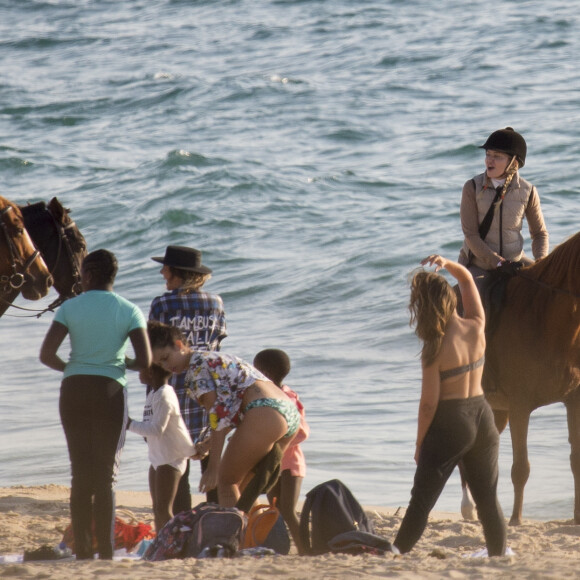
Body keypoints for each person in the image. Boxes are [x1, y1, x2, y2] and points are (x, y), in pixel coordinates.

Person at [39, 249, 151, 560]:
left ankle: (84, 552)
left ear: (87, 275)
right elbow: (146, 360)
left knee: (80, 472)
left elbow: (47, 354)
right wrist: (117, 362)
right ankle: (105, 553)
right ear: (113, 276)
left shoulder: (69, 307)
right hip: (110, 391)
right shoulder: (129, 310)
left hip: (74, 390)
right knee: (105, 475)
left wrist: (75, 369)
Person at [393, 255, 506, 557]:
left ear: (424, 307)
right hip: (483, 417)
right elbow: (468, 281)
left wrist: (420, 444)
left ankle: (397, 551)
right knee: (487, 497)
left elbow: (428, 404)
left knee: (421, 501)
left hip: (451, 422)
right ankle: (499, 553)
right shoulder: (477, 326)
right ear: (450, 298)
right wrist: (446, 264)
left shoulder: (435, 347)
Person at [147, 321, 300, 508]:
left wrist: (213, 468)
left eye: (165, 358)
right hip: (287, 412)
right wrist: (208, 444)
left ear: (179, 345)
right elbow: (228, 411)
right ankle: (254, 535)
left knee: (226, 483)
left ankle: (235, 537)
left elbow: (217, 417)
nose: (165, 366)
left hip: (264, 413)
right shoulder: (215, 357)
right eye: (159, 363)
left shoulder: (196, 369)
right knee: (244, 494)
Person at [149, 245, 227, 510]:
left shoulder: (162, 304)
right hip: (210, 389)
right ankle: (217, 518)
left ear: (176, 273)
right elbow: (218, 345)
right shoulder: (215, 303)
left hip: (174, 391)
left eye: (166, 268)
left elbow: (154, 351)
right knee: (211, 457)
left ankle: (180, 522)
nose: (162, 272)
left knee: (175, 463)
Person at [458, 127, 549, 288]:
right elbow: (470, 235)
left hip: (515, 262)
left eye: (497, 157)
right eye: (488, 155)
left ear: (513, 163)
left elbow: (539, 233)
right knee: (479, 300)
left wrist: (541, 260)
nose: (489, 161)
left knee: (550, 288)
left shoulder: (528, 191)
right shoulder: (472, 187)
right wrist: (498, 262)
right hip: (479, 265)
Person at [127, 364, 196, 532]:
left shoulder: (165, 394)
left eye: (141, 369)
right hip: (157, 456)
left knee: (165, 510)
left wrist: (128, 423)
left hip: (172, 457)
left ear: (151, 371)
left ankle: (175, 544)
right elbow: (148, 429)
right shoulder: (153, 393)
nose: (139, 372)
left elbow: (156, 429)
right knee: (157, 509)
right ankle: (161, 544)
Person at [253, 348, 309, 554]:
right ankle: (281, 547)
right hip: (271, 462)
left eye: (256, 369)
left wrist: (278, 441)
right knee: (275, 511)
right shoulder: (262, 395)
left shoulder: (288, 397)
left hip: (291, 463)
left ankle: (305, 549)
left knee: (287, 509)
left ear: (266, 372)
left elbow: (302, 431)